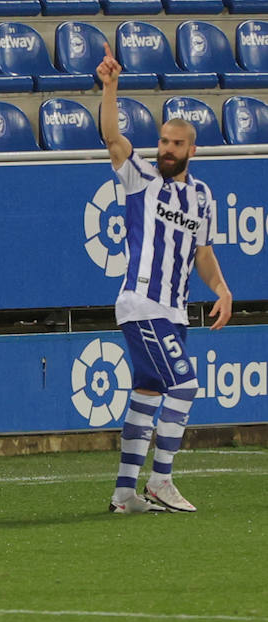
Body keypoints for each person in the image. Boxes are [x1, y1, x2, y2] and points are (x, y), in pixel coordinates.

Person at [96, 45, 233, 514]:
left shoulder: (202, 196)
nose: (167, 150)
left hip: (174, 311)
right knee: (186, 386)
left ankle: (124, 494)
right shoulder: (140, 178)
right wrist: (111, 88)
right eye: (164, 142)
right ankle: (161, 481)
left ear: (191, 150)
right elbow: (113, 137)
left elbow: (203, 251)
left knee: (147, 393)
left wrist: (222, 289)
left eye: (176, 145)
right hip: (142, 303)